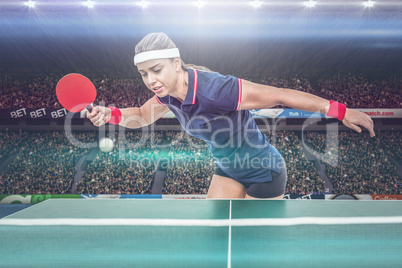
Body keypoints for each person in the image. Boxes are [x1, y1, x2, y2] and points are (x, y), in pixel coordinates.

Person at [87, 32, 375, 199]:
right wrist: (109, 114)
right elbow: (140, 115)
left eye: (157, 70)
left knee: (253, 247)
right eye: (144, 74)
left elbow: (280, 94)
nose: (150, 80)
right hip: (228, 169)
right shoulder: (165, 94)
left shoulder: (218, 89)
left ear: (176, 63)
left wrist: (340, 111)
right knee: (214, 235)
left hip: (264, 172)